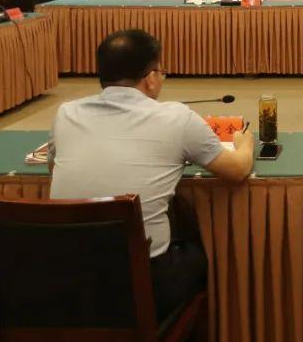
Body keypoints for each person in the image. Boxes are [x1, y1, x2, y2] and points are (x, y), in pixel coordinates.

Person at [49, 29, 255, 321]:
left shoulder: (66, 113)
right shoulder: (176, 117)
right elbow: (237, 170)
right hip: (143, 283)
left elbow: (53, 169)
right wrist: (245, 144)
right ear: (150, 78)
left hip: (69, 282)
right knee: (198, 255)